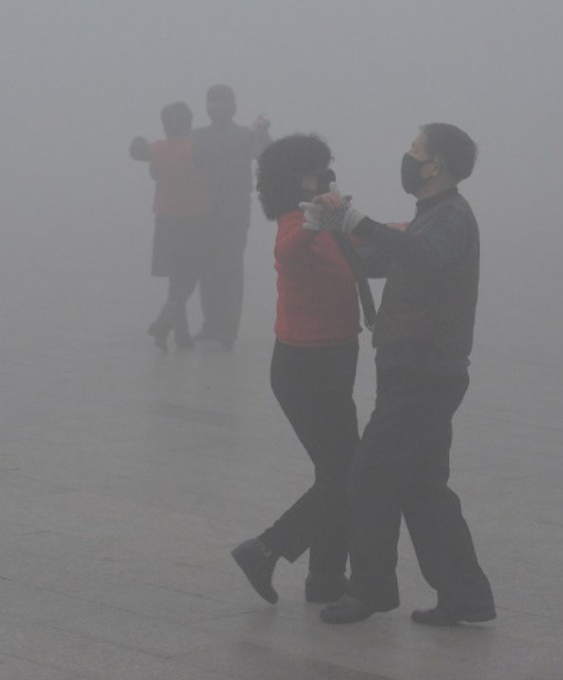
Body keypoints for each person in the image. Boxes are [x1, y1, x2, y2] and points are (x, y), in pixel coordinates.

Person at [301, 123, 496, 626]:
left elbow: (423, 256)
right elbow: (379, 259)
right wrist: (333, 227)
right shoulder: (431, 215)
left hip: (426, 371)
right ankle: (465, 594)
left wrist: (357, 221)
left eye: (415, 152)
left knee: (370, 474)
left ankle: (371, 588)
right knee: (424, 485)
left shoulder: (450, 217)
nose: (407, 159)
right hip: (416, 367)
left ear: (437, 166)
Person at [231, 134, 362, 605]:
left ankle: (325, 577)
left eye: (326, 168)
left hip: (335, 359)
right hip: (304, 367)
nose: (325, 176)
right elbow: (287, 252)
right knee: (345, 473)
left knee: (340, 472)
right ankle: (266, 549)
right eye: (315, 171)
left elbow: (374, 239)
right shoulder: (297, 223)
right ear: (294, 180)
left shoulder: (328, 221)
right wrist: (314, 219)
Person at [191, 85, 272, 349]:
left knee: (229, 269)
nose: (217, 108)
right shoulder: (196, 137)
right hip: (201, 212)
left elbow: (265, 155)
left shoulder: (246, 136)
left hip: (234, 213)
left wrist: (262, 132)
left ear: (233, 107)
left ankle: (227, 329)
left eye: (223, 103)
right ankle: (211, 325)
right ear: (207, 108)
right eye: (213, 103)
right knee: (206, 269)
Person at [129, 101, 208, 351]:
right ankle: (163, 324)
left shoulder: (157, 149)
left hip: (165, 221)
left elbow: (136, 151)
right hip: (194, 220)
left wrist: (140, 141)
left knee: (176, 280)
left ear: (164, 125)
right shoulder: (197, 148)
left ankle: (180, 336)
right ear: (190, 122)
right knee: (187, 280)